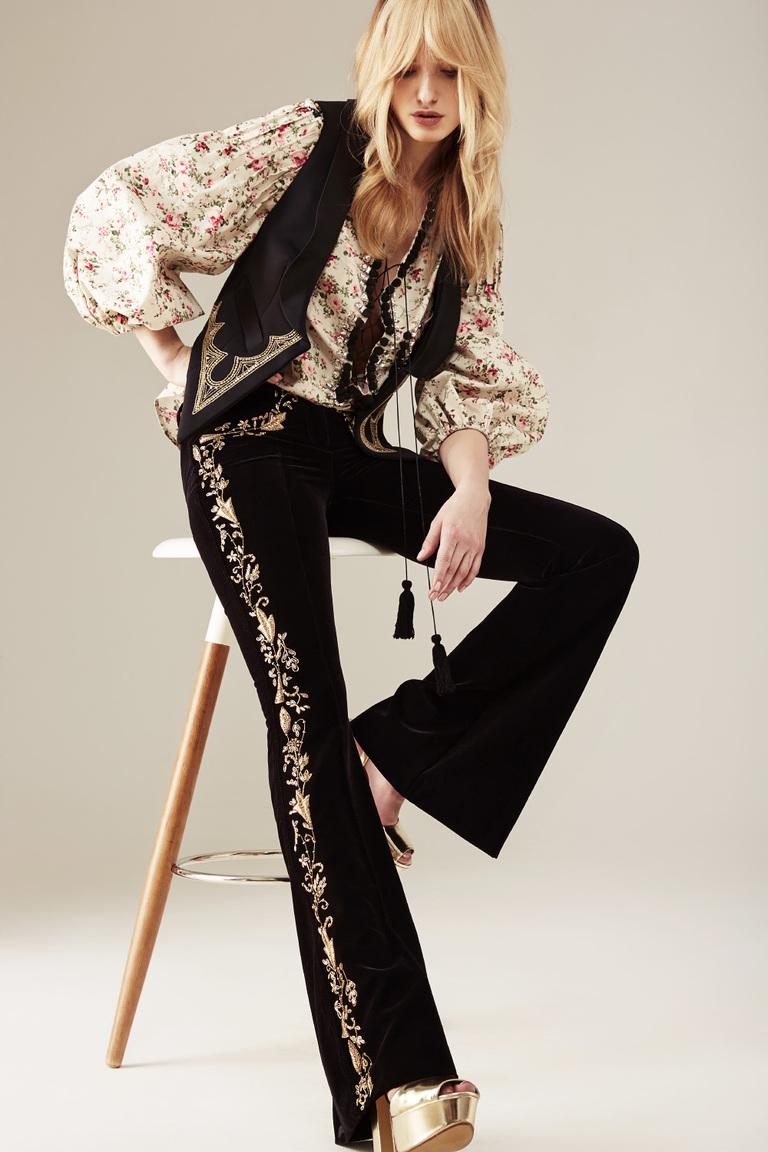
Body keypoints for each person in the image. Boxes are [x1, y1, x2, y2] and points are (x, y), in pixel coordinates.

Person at [63, 0, 639, 1148]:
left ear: (478, 83)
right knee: (307, 720)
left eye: (451, 72)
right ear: (381, 68)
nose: (428, 92)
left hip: (356, 452)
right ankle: (399, 1081)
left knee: (594, 556)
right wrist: (176, 364)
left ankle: (399, 750)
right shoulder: (307, 143)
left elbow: (464, 381)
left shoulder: (463, 211)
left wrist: (469, 490)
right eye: (410, 68)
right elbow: (116, 203)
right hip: (248, 441)